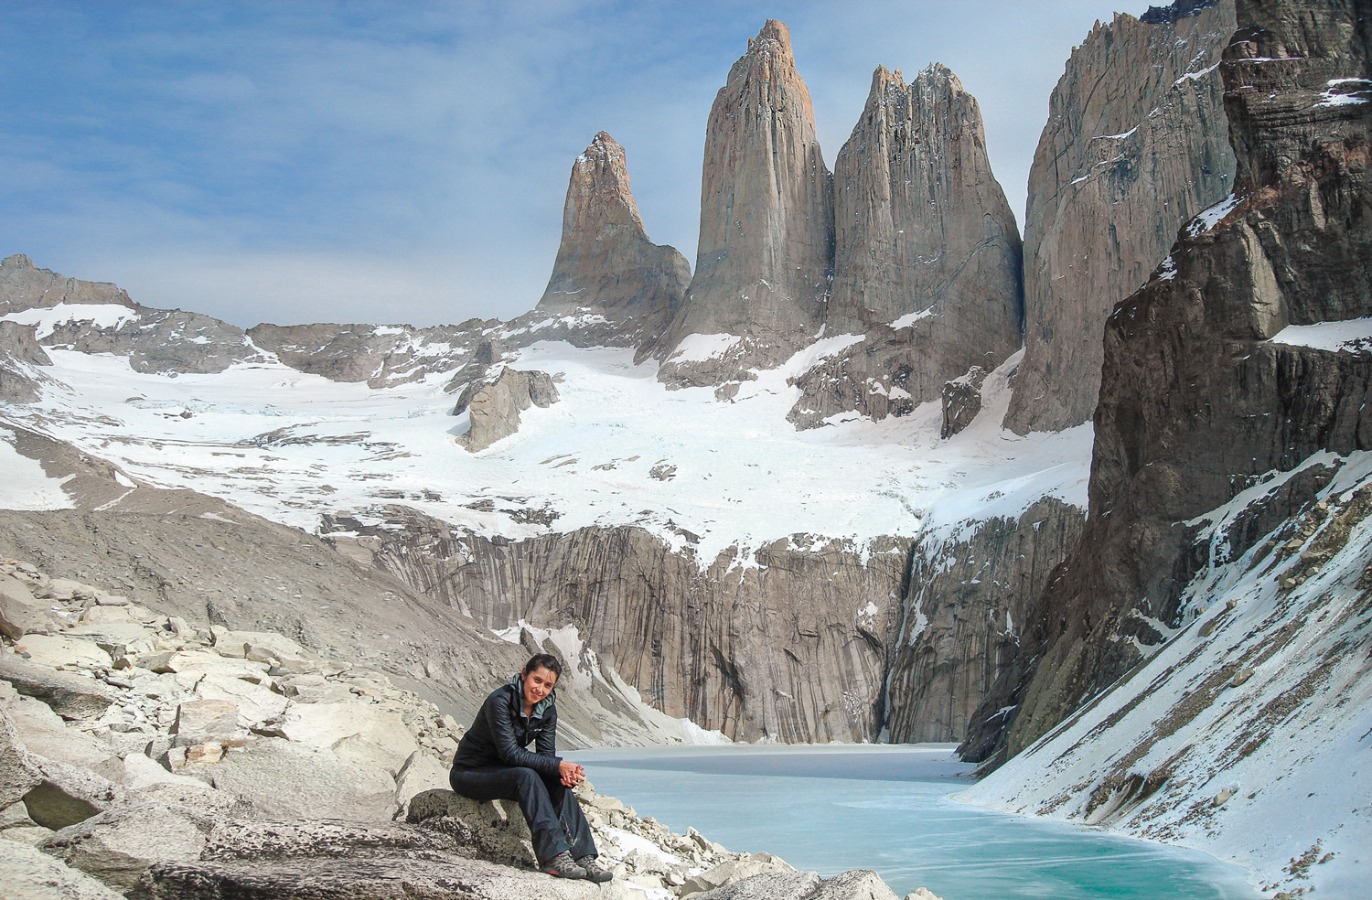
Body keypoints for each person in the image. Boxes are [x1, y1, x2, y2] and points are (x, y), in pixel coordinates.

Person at [449, 653, 612, 883]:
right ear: (524, 674)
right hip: (469, 773)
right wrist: (557, 765)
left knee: (555, 780)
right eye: (537, 680)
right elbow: (510, 753)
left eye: (547, 685)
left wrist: (561, 774)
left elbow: (546, 756)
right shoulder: (500, 701)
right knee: (526, 776)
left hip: (505, 773)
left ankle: (583, 856)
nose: (540, 690)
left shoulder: (547, 710)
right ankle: (553, 856)